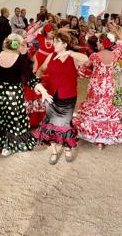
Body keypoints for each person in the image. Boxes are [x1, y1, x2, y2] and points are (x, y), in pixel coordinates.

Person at [0, 16, 52, 161]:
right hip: (13, 95)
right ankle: (6, 147)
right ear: (20, 46)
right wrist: (44, 92)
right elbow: (32, 80)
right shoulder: (22, 61)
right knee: (12, 119)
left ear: (6, 43)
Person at [34, 29, 88, 164]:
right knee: (50, 124)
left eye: (57, 42)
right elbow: (41, 70)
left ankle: (68, 148)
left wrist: (69, 52)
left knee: (65, 124)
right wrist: (37, 84)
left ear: (65, 44)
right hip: (51, 96)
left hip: (68, 96)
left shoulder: (73, 57)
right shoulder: (51, 56)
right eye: (54, 41)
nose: (53, 43)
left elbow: (86, 59)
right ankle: (53, 151)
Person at [73, 34, 122, 149]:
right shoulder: (115, 54)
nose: (97, 44)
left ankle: (95, 136)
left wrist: (78, 66)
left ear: (102, 43)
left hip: (96, 85)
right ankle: (102, 139)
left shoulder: (94, 55)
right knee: (105, 108)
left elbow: (84, 69)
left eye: (98, 42)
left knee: (94, 107)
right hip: (109, 85)